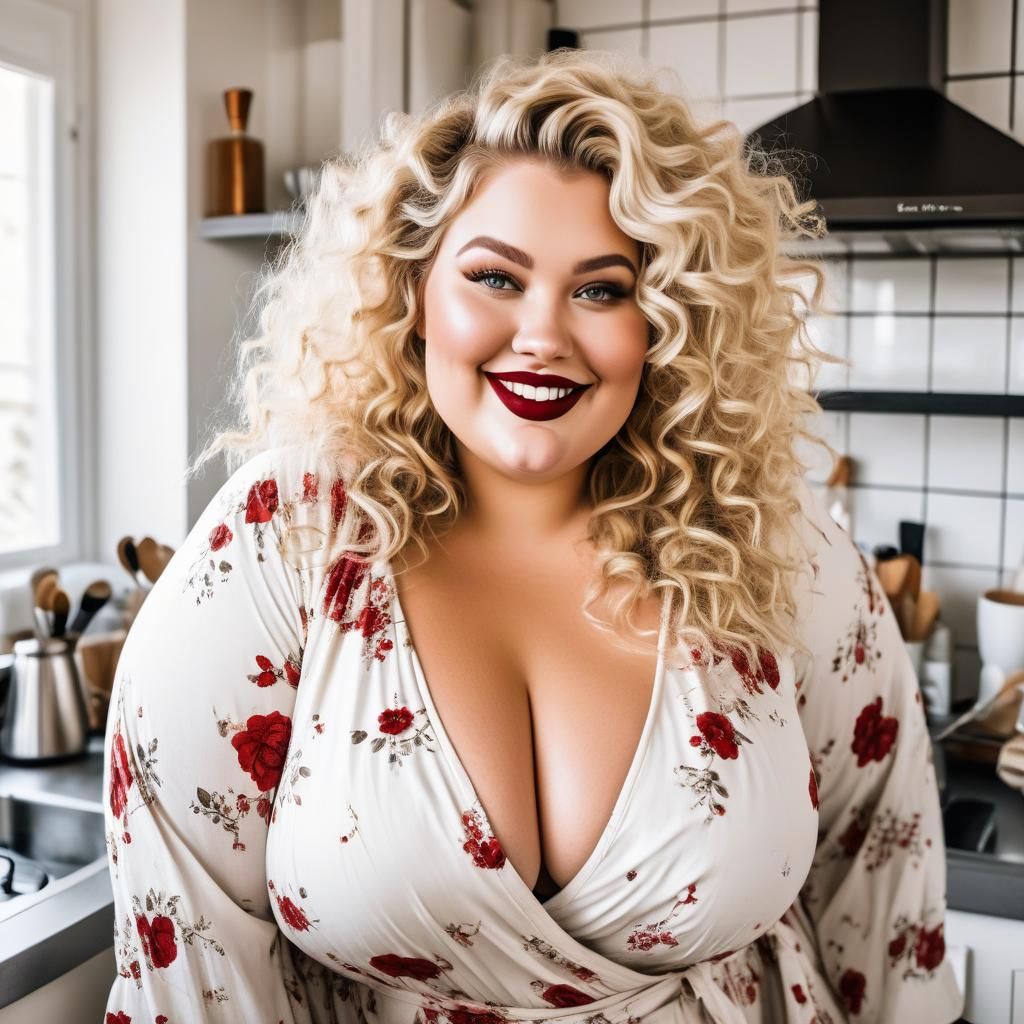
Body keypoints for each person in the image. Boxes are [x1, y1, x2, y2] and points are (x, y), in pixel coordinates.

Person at [102, 49, 964, 1023]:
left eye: (601, 289)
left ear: (666, 322)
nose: (543, 335)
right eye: (494, 278)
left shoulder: (775, 546)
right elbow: (192, 953)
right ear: (413, 290)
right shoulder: (285, 539)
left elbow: (882, 876)